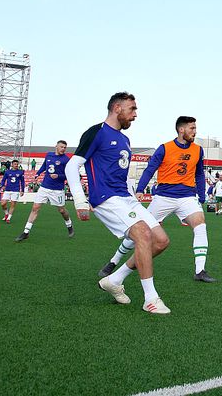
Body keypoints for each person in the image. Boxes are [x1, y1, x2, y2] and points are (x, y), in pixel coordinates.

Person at [64, 91, 172, 314]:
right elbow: (72, 166)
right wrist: (80, 201)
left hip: (126, 197)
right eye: (132, 109)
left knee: (161, 241)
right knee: (142, 234)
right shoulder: (97, 132)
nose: (135, 115)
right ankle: (150, 298)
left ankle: (115, 279)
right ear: (117, 108)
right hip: (105, 198)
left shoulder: (125, 139)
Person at [100, 116, 215, 283]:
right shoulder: (164, 148)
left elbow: (198, 173)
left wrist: (202, 194)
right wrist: (140, 190)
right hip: (163, 197)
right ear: (181, 130)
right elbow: (150, 169)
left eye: (195, 128)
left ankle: (200, 270)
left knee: (200, 225)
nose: (195, 132)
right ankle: (113, 261)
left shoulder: (198, 150)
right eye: (192, 128)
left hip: (187, 196)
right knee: (142, 231)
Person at [15, 140, 74, 241]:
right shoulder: (49, 155)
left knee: (62, 210)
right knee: (35, 208)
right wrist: (38, 173)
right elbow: (44, 166)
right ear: (56, 146)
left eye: (65, 147)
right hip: (44, 187)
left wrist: (58, 176)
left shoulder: (66, 159)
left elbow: (69, 174)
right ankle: (26, 232)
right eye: (61, 147)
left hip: (57, 190)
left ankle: (69, 225)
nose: (63, 149)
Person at [0, 159, 25, 224]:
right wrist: (2, 185)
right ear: (12, 165)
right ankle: (6, 214)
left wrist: (22, 190)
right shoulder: (7, 172)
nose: (16, 165)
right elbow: (3, 180)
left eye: (17, 164)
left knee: (13, 204)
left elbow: (22, 181)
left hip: (16, 190)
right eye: (15, 164)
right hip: (7, 190)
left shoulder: (21, 172)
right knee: (3, 204)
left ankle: (8, 218)